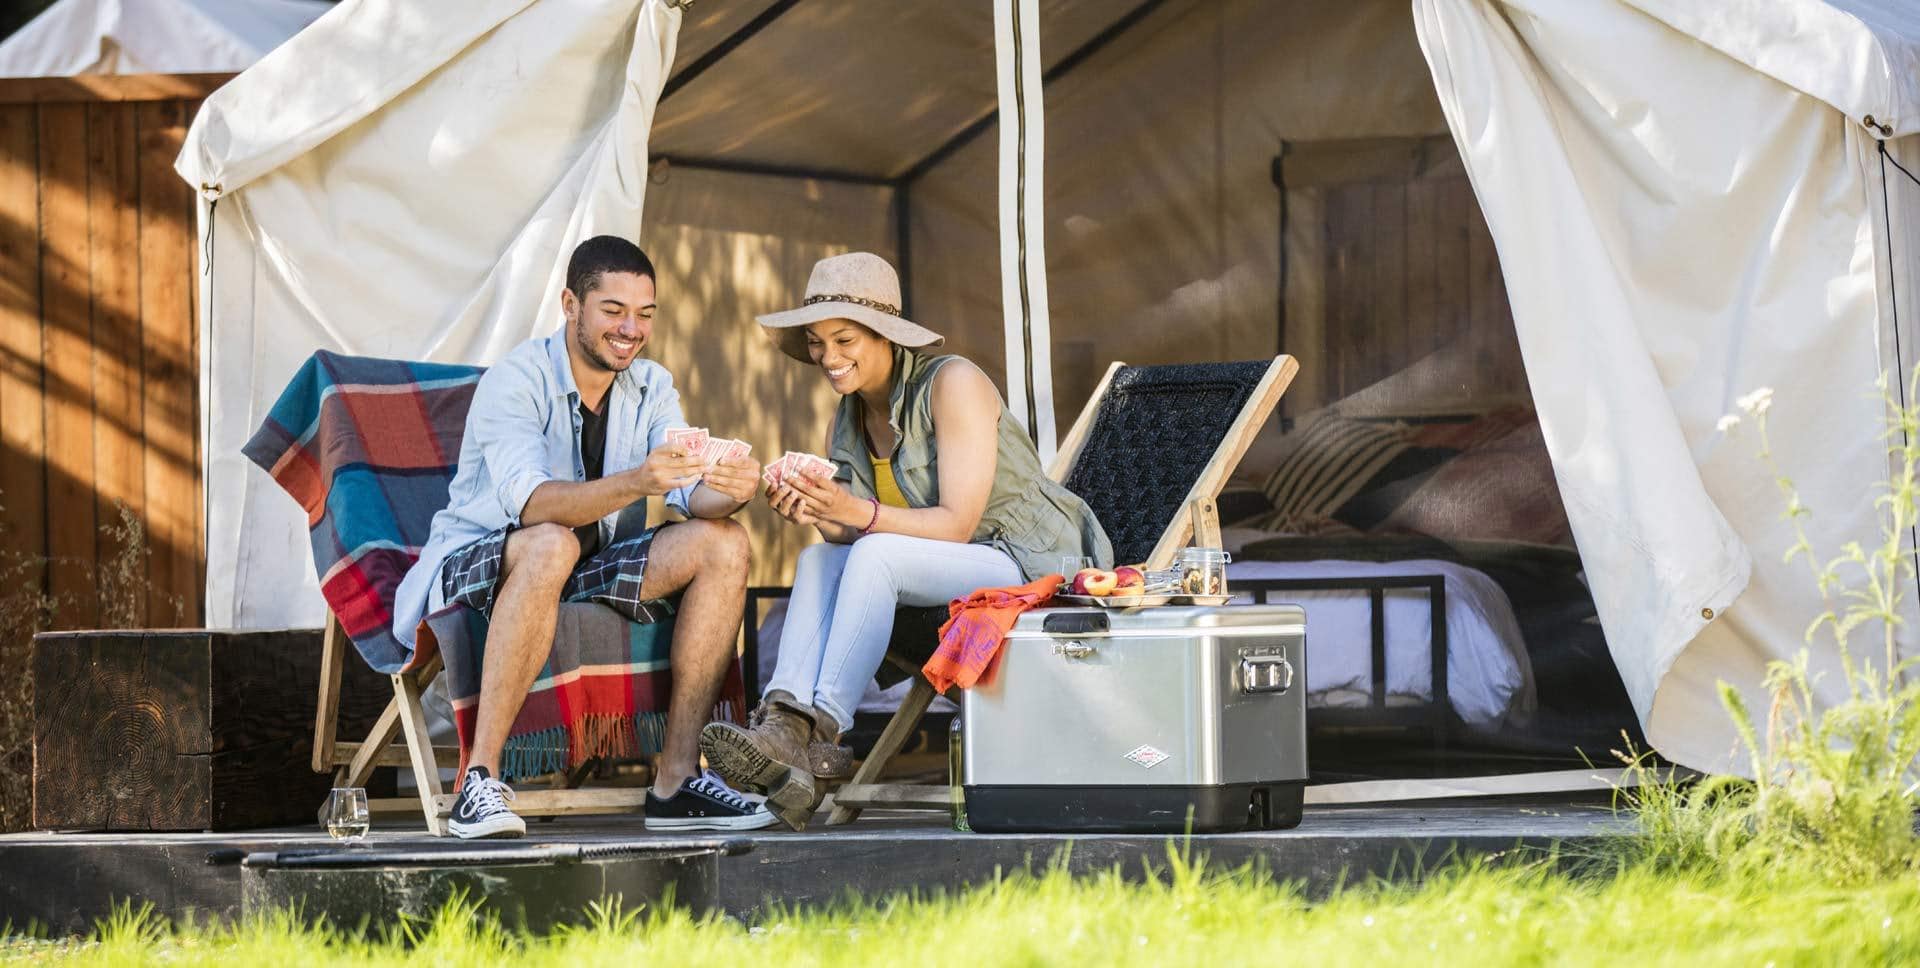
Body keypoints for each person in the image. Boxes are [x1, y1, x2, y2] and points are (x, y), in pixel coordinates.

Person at [700, 251, 1112, 829]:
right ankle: (785, 728)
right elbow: (849, 532)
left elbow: (956, 524)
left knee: (874, 552)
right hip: (944, 568)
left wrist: (854, 512)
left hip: (1026, 563)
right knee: (820, 558)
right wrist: (815, 508)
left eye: (844, 340)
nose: (828, 357)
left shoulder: (954, 383)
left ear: (886, 336)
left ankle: (822, 738)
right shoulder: (846, 418)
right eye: (817, 343)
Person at [392, 235, 776, 838]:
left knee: (723, 542)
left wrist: (734, 485)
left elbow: (689, 497)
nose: (631, 329)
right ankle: (479, 782)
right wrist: (637, 480)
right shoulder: (514, 380)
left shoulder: (652, 385)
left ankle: (676, 782)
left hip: (585, 560)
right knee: (552, 541)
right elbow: (535, 505)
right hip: (480, 559)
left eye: (645, 314)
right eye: (613, 310)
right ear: (571, 304)